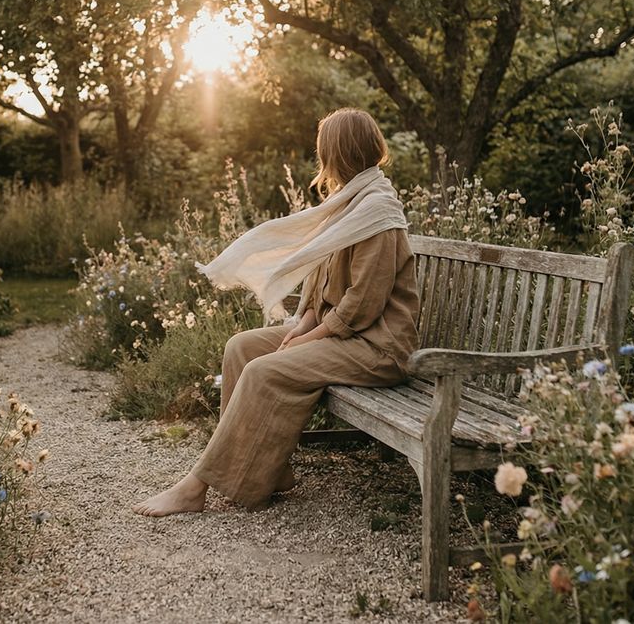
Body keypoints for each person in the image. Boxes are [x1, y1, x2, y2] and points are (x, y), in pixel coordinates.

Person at [133, 108, 420, 517]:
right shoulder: (345, 204)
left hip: (377, 346)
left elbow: (363, 305)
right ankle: (272, 470)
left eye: (324, 152)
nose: (321, 160)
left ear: (339, 154)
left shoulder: (378, 213)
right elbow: (319, 282)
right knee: (241, 349)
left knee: (263, 369)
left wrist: (307, 338)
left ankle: (195, 487)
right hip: (341, 334)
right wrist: (303, 321)